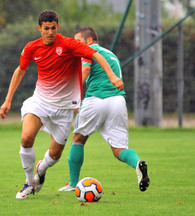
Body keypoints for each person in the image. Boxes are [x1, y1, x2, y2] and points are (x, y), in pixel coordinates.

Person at [0, 11, 124, 199]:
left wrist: (112, 76)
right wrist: (8, 99)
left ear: (58, 27)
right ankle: (29, 183)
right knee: (26, 138)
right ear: (39, 28)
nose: (50, 32)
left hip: (64, 109)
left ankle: (41, 168)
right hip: (40, 102)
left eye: (53, 28)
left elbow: (96, 55)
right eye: (46, 28)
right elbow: (20, 70)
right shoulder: (32, 47)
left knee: (55, 155)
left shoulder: (68, 44)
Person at [58, 27, 150, 192]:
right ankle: (137, 164)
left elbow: (85, 69)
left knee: (78, 139)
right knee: (119, 149)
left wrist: (74, 96)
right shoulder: (111, 54)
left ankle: (72, 184)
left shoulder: (88, 50)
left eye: (78, 42)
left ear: (89, 41)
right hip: (118, 101)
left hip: (96, 99)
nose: (76, 46)